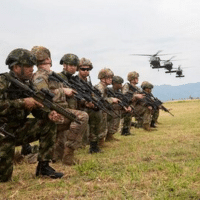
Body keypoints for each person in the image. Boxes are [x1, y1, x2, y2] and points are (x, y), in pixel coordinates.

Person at [0, 48, 63, 182]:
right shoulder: (3, 81)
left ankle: (43, 168)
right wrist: (21, 102)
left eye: (32, 66)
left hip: (17, 130)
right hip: (2, 132)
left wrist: (48, 115)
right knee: (3, 179)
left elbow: (37, 109)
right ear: (16, 67)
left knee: (48, 123)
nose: (32, 69)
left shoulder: (28, 85)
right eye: (28, 66)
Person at [31, 48, 89, 165]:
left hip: (59, 110)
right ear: (48, 59)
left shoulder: (50, 75)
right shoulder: (40, 76)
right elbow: (41, 95)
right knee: (81, 117)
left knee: (57, 150)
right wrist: (63, 91)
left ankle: (51, 157)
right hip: (52, 112)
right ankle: (68, 157)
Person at [74, 57, 103, 153]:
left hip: (87, 107)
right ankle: (79, 145)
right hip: (77, 107)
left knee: (97, 113)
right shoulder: (74, 81)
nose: (86, 71)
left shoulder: (88, 82)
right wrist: (85, 103)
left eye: (88, 69)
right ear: (78, 69)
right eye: (83, 69)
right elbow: (75, 95)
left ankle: (94, 146)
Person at [95, 68, 120, 146]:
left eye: (111, 78)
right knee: (104, 114)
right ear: (102, 79)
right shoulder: (100, 87)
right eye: (108, 78)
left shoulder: (104, 87)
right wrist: (111, 100)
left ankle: (108, 136)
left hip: (100, 108)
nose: (110, 79)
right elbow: (99, 100)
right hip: (96, 109)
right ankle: (100, 141)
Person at [106, 76, 126, 141]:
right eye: (119, 83)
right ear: (114, 83)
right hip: (109, 109)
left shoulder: (119, 92)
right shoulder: (109, 90)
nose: (121, 85)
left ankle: (110, 135)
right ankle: (109, 136)